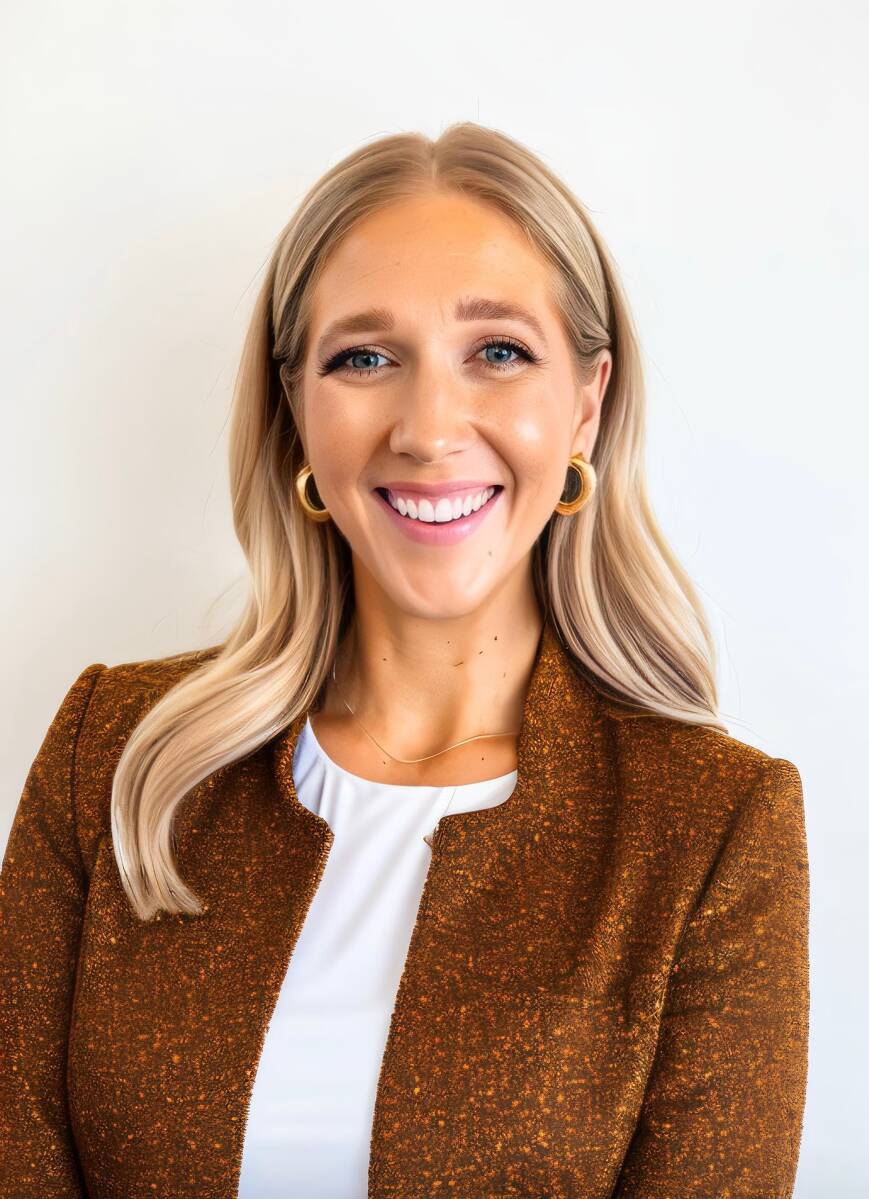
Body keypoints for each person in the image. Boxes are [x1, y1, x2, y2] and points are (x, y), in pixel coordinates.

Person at [0, 122, 810, 1198]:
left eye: (498, 352)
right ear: (295, 411)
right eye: (364, 358)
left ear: (585, 403)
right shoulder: (112, 753)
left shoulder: (712, 824)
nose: (428, 429)